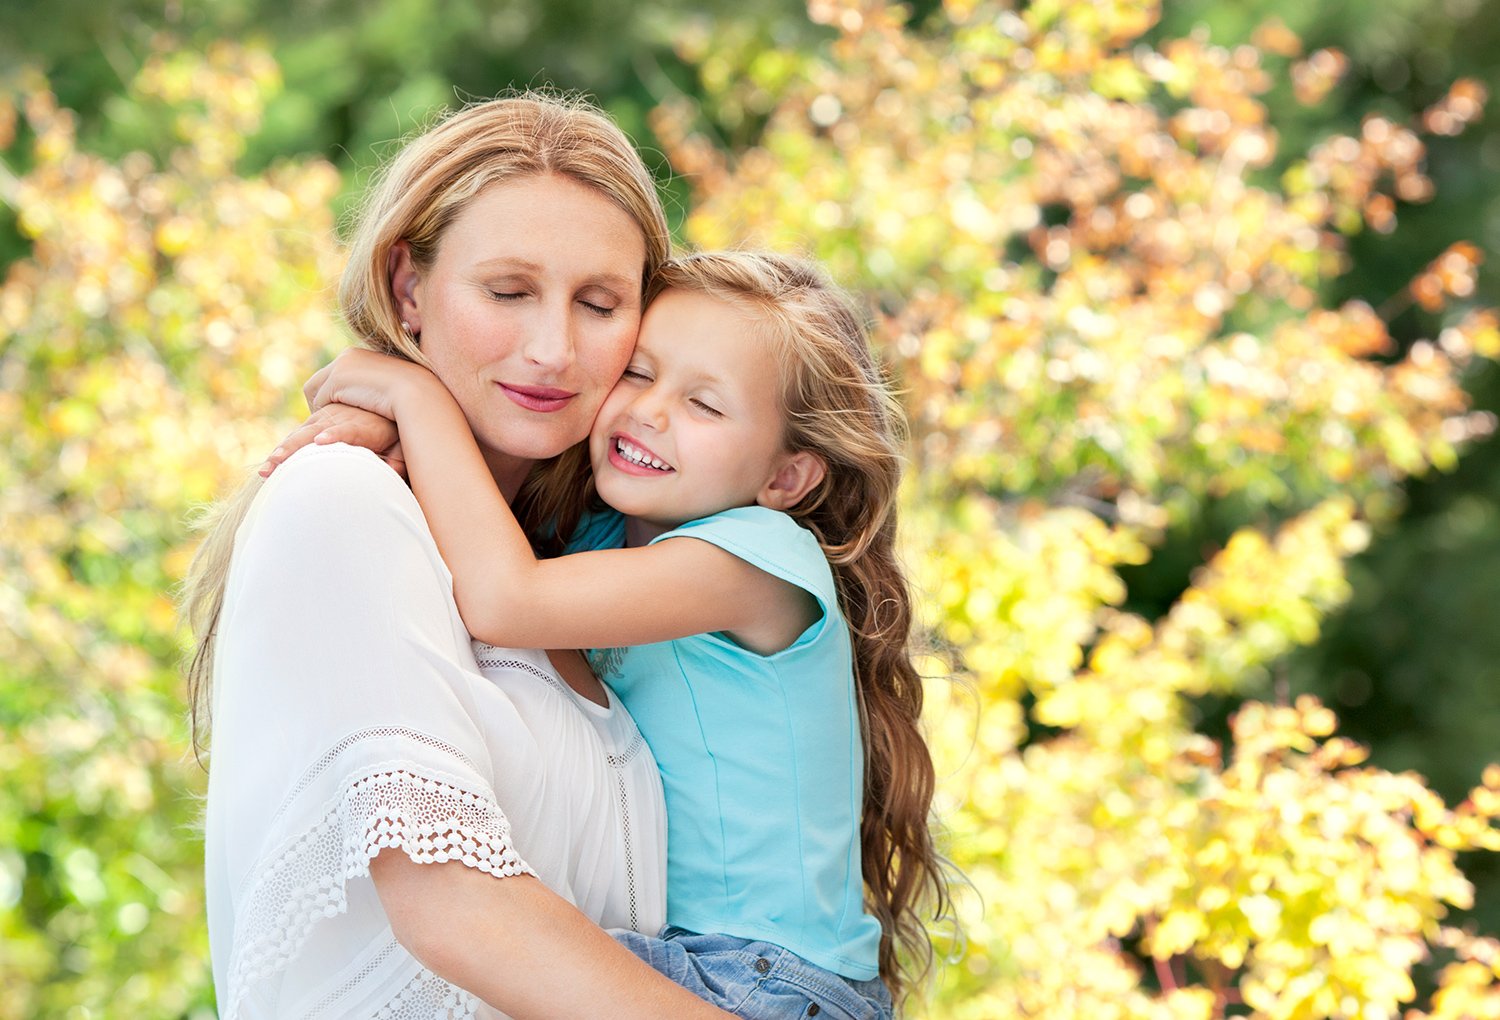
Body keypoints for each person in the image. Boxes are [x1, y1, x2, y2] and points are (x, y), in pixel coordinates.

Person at [265, 250, 951, 1018]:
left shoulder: (758, 558)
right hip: (694, 959)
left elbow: (503, 599)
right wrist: (371, 428)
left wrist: (412, 395)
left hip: (763, 980)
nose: (651, 411)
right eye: (639, 373)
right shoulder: (597, 538)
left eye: (706, 406)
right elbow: (469, 531)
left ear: (785, 478)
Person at [181, 93, 738, 1019]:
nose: (554, 349)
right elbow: (455, 906)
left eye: (600, 304)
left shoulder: (577, 565)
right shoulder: (341, 502)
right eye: (507, 292)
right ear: (408, 290)